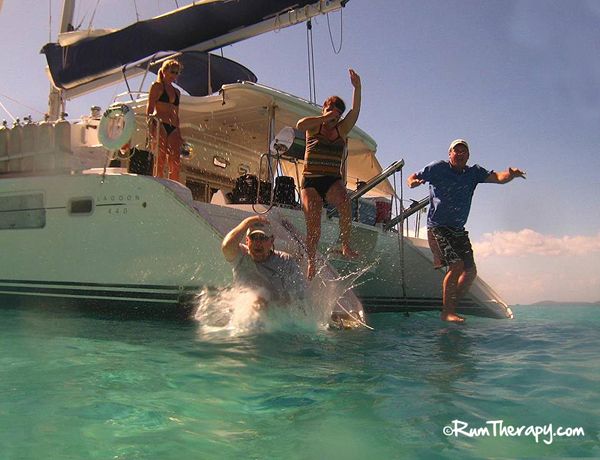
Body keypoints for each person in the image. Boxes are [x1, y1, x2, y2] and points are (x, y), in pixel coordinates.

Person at [407, 139, 526, 323]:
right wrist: (412, 182)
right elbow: (413, 176)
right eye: (457, 151)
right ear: (450, 154)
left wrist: (511, 175)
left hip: (458, 230)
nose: (460, 154)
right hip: (438, 227)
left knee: (470, 272)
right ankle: (447, 312)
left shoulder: (473, 173)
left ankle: (451, 307)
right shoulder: (437, 167)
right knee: (456, 266)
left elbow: (498, 178)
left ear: (468, 156)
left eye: (464, 152)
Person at [296, 69, 362, 279]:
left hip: (332, 179)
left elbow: (356, 111)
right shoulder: (313, 127)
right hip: (311, 181)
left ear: (339, 115)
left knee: (344, 201)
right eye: (328, 108)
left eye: (334, 111)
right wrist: (323, 117)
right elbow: (300, 124)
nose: (330, 113)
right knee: (313, 222)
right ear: (324, 109)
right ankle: (311, 261)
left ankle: (345, 245)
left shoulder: (341, 130)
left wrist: (357, 87)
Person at [221, 215, 307, 309]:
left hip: (277, 317)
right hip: (245, 317)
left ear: (271, 241)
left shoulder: (285, 261)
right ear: (247, 240)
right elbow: (226, 246)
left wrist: (272, 304)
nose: (258, 243)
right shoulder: (241, 256)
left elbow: (299, 297)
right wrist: (248, 222)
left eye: (263, 238)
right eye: (253, 238)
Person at [146, 59, 184, 182]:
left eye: (177, 73)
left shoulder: (177, 92)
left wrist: (179, 133)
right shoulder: (156, 87)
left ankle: (174, 187)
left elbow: (176, 113)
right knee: (160, 159)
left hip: (173, 127)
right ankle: (158, 184)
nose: (174, 75)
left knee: (175, 161)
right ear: (164, 71)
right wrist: (150, 128)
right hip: (159, 124)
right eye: (172, 72)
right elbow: (150, 109)